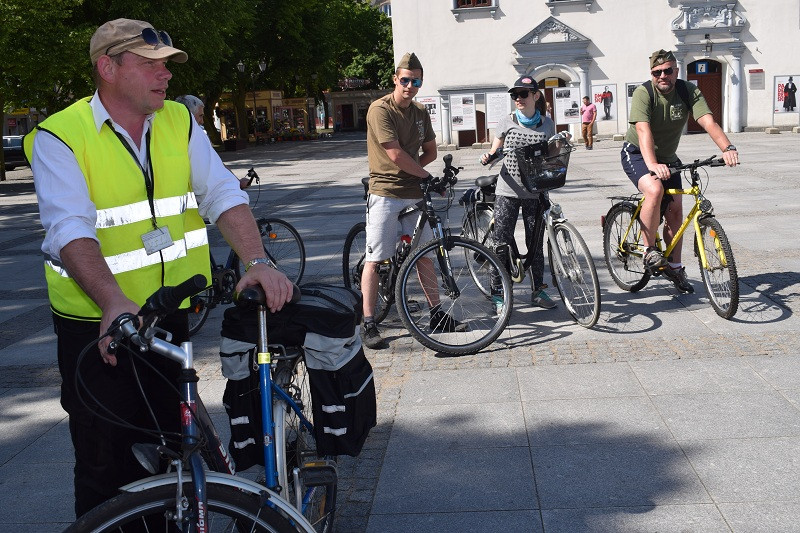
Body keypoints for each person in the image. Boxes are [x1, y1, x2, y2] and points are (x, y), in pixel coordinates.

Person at [24, 18, 293, 518]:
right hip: (98, 328)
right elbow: (69, 228)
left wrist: (256, 260)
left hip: (169, 318)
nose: (165, 75)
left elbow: (221, 193)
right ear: (107, 67)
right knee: (106, 466)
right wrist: (112, 301)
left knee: (174, 452)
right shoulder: (60, 137)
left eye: (167, 65)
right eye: (150, 64)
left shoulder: (178, 121)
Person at [361, 52, 462, 349]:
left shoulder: (419, 112)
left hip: (414, 193)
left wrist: (420, 173)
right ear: (395, 79)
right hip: (385, 192)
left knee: (424, 254)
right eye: (405, 80)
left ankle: (436, 314)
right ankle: (368, 322)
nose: (410, 85)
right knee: (376, 258)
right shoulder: (380, 109)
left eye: (415, 81)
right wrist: (424, 175)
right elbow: (394, 154)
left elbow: (430, 150)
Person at [621, 49, 739, 293]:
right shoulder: (645, 93)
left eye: (668, 70)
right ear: (651, 74)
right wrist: (652, 164)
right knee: (654, 190)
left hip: (668, 158)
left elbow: (708, 121)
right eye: (657, 72)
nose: (663, 76)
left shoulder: (688, 91)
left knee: (676, 211)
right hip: (636, 154)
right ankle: (648, 250)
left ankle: (675, 267)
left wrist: (727, 147)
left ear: (676, 70)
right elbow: (643, 130)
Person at [480, 75, 558, 310]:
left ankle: (538, 291)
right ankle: (498, 293)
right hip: (508, 190)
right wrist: (488, 156)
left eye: (523, 94)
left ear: (535, 95)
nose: (518, 99)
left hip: (536, 190)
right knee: (500, 242)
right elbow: (495, 149)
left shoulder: (547, 123)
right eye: (515, 95)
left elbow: (551, 155)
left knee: (535, 243)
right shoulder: (507, 121)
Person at [176, 94, 251, 189]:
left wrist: (236, 181)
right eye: (200, 116)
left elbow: (216, 162)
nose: (202, 121)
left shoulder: (198, 135)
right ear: (188, 115)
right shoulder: (183, 138)